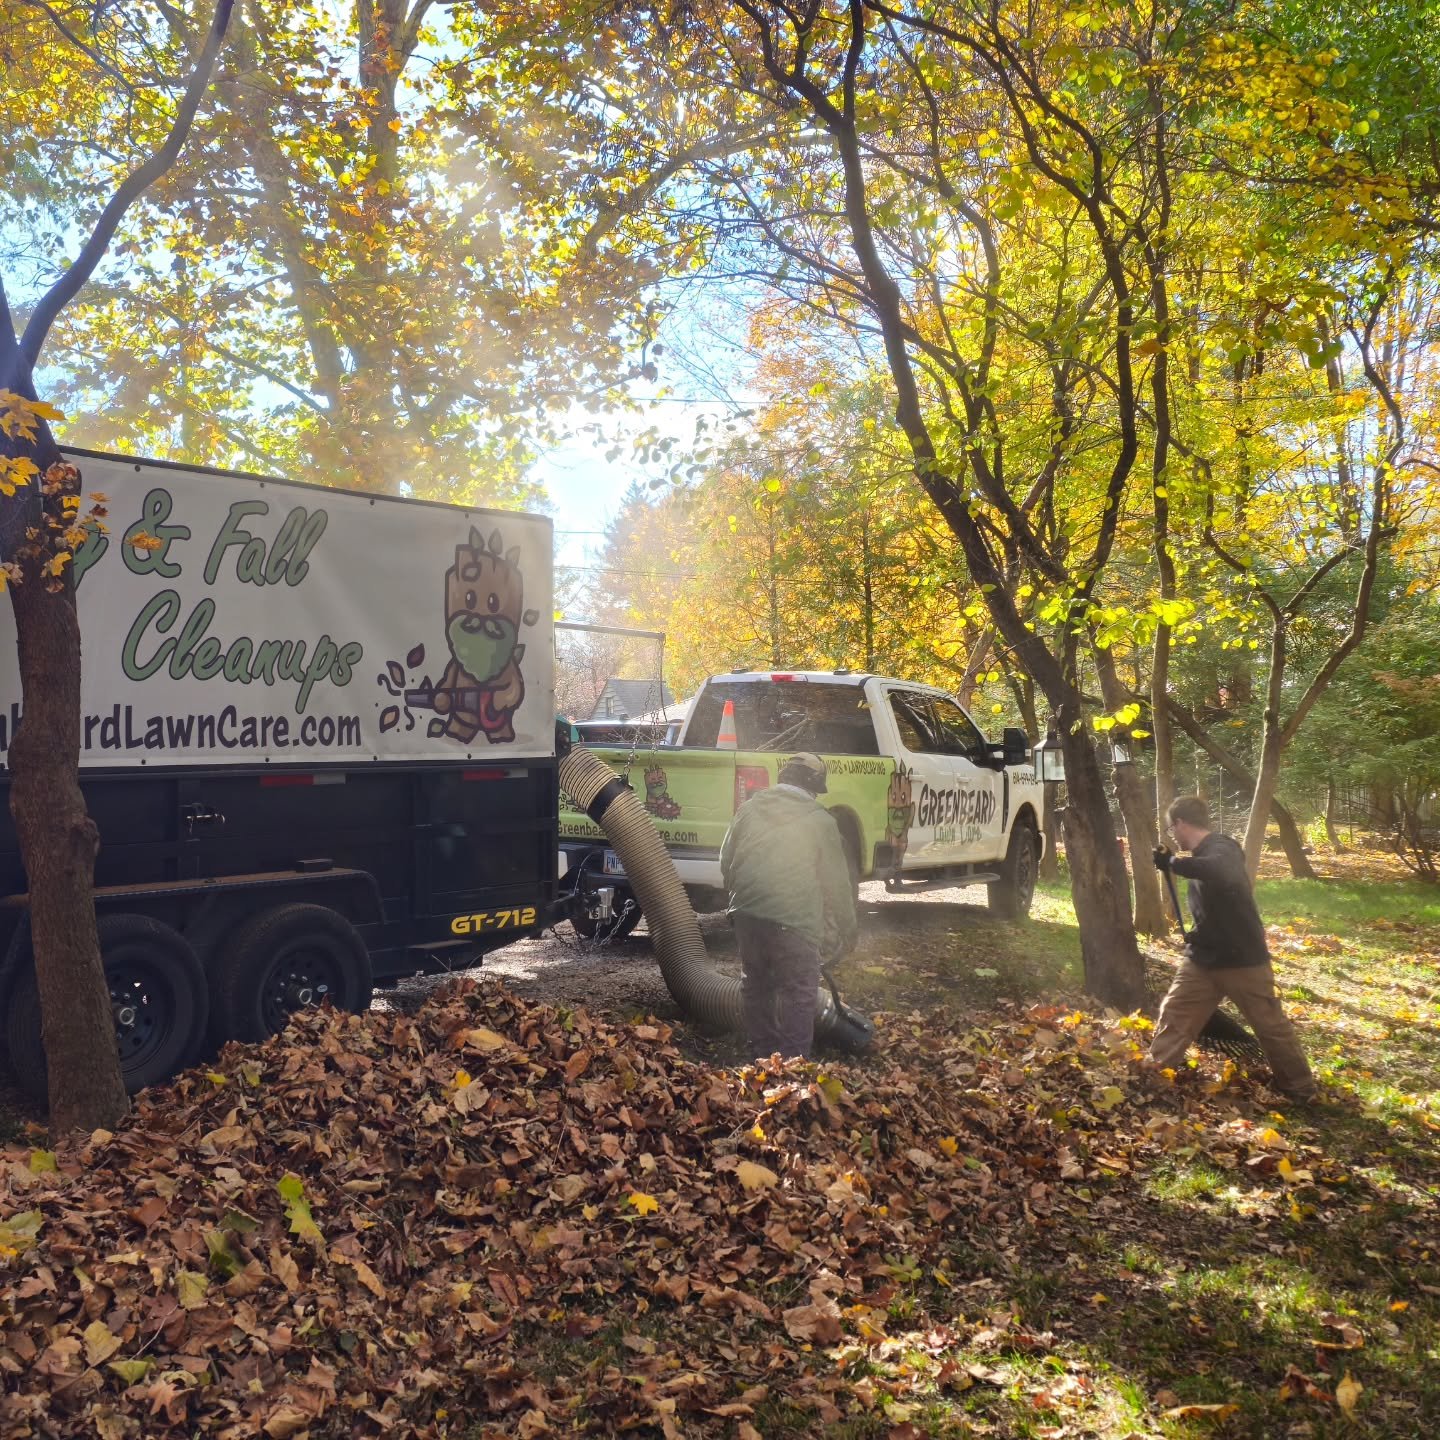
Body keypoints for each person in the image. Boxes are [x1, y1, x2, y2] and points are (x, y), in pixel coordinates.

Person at [1151, 795, 1317, 1101]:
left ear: (1181, 823)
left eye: (1171, 828)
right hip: (1203, 959)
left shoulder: (1223, 848)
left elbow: (1218, 869)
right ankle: (1152, 1077)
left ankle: (1300, 1089)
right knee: (1175, 1015)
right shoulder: (1202, 855)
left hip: (1243, 959)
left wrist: (1174, 863)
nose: (1171, 835)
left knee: (1271, 1027)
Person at [720, 751, 858, 1061]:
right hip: (793, 922)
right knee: (798, 992)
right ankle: (793, 1071)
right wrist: (849, 929)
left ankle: (762, 1060)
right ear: (812, 788)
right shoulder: (821, 821)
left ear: (783, 780)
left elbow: (725, 860)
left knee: (756, 985)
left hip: (745, 914)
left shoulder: (749, 809)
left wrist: (741, 896)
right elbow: (837, 883)